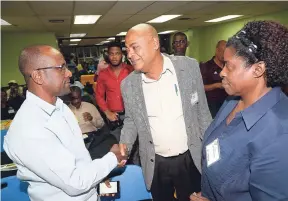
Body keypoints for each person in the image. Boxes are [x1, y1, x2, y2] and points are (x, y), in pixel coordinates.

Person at [3, 45, 126, 201]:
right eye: (61, 68)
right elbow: (76, 183)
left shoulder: (60, 108)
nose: (69, 73)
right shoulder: (29, 129)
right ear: (38, 76)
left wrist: (97, 176)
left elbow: (78, 159)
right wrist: (112, 158)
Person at [191, 21, 288, 201]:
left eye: (229, 66)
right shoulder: (233, 99)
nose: (222, 73)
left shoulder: (279, 134)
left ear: (258, 69)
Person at [120, 23, 212, 201]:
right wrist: (124, 145)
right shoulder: (129, 84)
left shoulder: (189, 68)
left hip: (190, 156)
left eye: (134, 47)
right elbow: (131, 120)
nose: (129, 54)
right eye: (127, 49)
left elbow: (203, 112)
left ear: (154, 43)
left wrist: (212, 155)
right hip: (156, 162)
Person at [95, 42, 133, 141]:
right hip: (114, 117)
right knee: (117, 145)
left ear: (122, 55)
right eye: (111, 54)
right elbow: (99, 96)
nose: (114, 57)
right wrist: (107, 112)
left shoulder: (131, 70)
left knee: (133, 146)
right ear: (108, 55)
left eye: (117, 53)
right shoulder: (103, 74)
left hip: (131, 115)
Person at [200, 40, 228, 118]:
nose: (223, 55)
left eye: (225, 52)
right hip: (212, 107)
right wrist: (217, 85)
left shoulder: (228, 66)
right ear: (216, 50)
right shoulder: (206, 67)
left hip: (227, 105)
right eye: (222, 51)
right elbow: (201, 87)